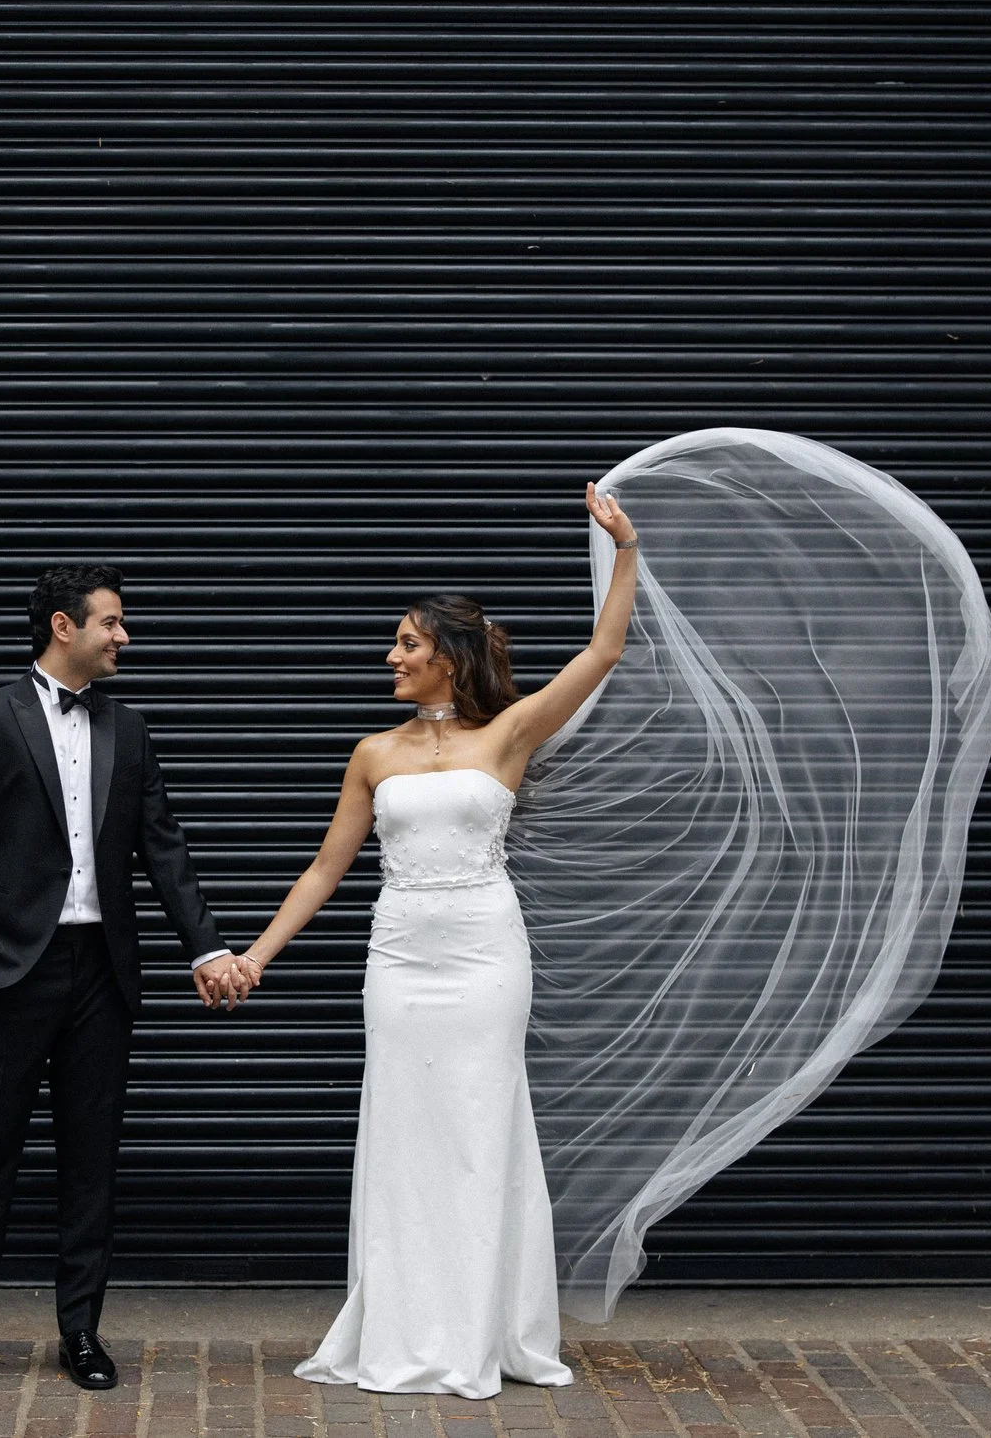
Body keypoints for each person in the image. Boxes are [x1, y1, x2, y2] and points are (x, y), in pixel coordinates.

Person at [224, 483, 640, 1400]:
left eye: (407, 642)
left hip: (487, 955)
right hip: (402, 958)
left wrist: (625, 548)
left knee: (482, 1130)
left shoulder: (510, 732)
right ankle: (408, 1326)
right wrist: (257, 954)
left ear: (449, 654)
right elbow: (325, 871)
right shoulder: (373, 753)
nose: (391, 654)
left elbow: (604, 649)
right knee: (407, 1134)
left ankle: (487, 1330)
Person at [0, 563, 257, 1397]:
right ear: (64, 626)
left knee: (91, 1163)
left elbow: (164, 850)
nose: (124, 636)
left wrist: (207, 948)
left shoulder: (129, 730)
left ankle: (80, 1331)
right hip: (7, 975)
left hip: (102, 972)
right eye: (112, 622)